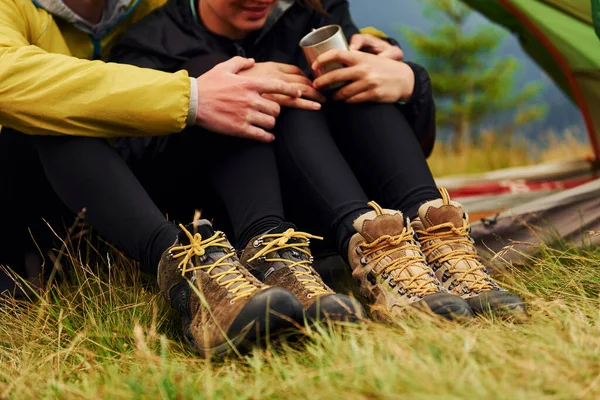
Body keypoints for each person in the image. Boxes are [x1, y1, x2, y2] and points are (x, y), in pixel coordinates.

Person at [107, 0, 526, 326]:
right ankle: (345, 253)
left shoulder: (311, 14)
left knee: (353, 81)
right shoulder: (151, 43)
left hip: (325, 202)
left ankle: (431, 245)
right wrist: (208, 99)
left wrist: (412, 82)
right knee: (266, 88)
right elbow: (135, 166)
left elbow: (398, 141)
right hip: (232, 221)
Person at [0, 0, 312, 294]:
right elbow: (8, 77)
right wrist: (192, 96)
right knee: (47, 115)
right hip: (29, 209)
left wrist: (359, 45)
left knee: (215, 72)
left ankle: (265, 250)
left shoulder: (152, 7)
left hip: (126, 199)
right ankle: (187, 273)